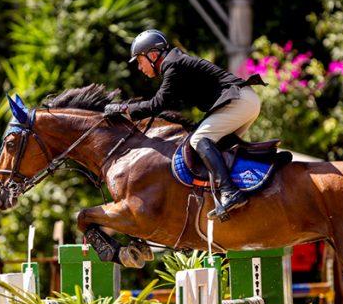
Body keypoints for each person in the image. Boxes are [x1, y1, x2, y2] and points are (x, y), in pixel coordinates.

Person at [104, 29, 265, 218]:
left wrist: (123, 108)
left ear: (153, 55)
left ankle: (230, 192)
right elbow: (165, 106)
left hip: (239, 101)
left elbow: (156, 105)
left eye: (139, 61)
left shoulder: (173, 65)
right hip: (244, 101)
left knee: (199, 139)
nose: (140, 67)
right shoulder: (175, 64)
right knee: (216, 149)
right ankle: (233, 196)